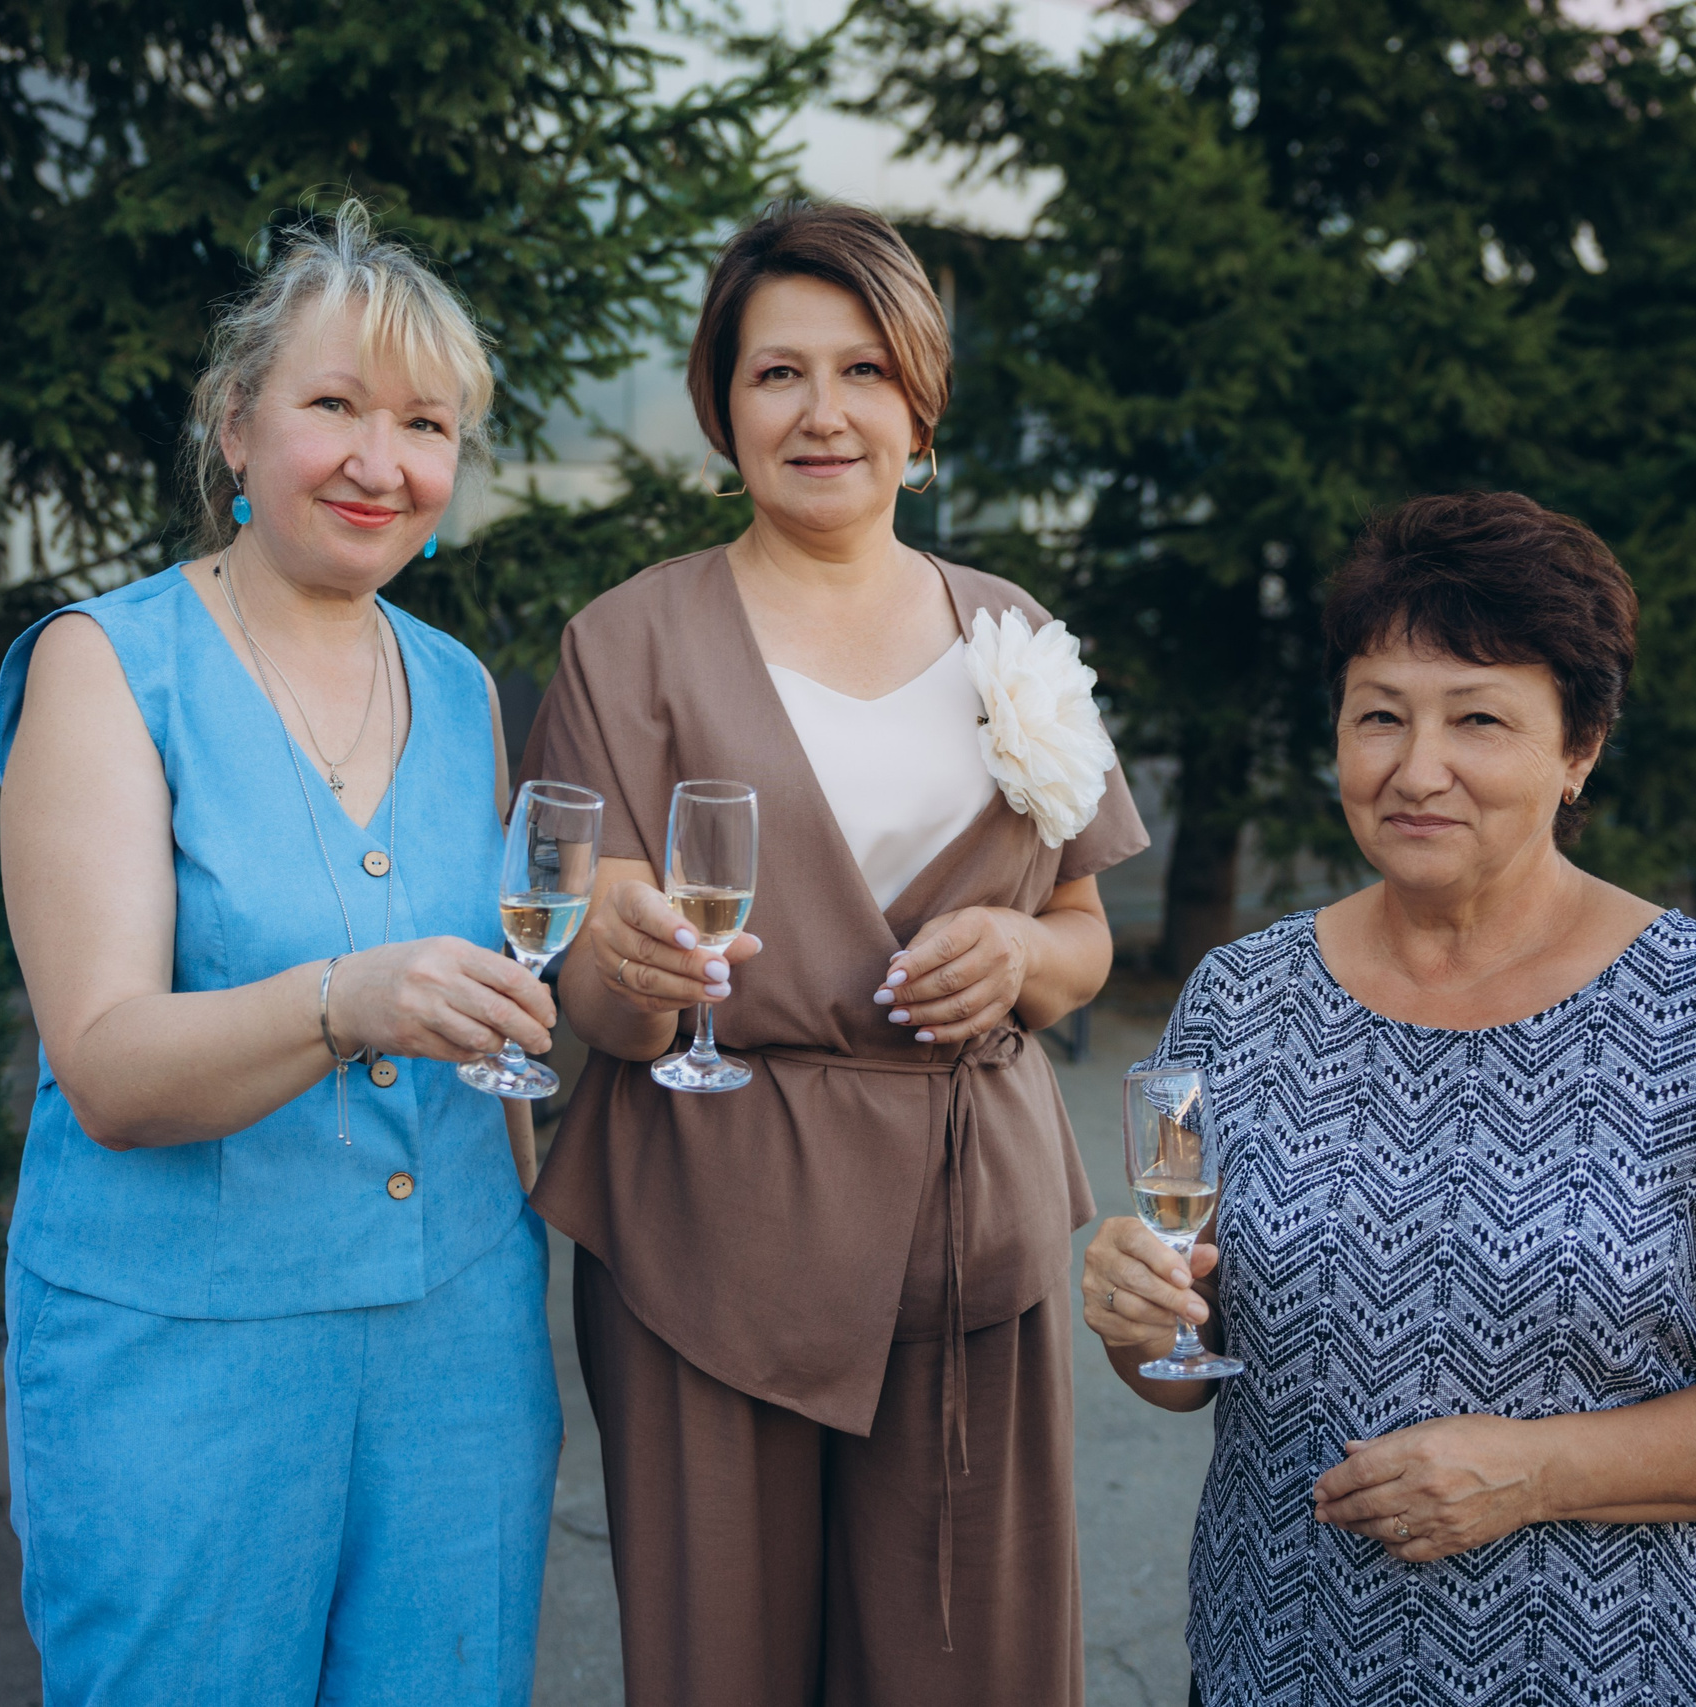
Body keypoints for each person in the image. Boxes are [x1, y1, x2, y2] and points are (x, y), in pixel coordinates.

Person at [1082, 491, 1696, 1707]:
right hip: (1272, 1666)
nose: (1417, 770)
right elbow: (1194, 1368)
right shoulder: (1236, 997)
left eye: (1479, 719)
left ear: (1579, 751)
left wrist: (1539, 1471)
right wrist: (1139, 1324)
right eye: (1379, 718)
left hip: (1604, 1674)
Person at [521, 200, 1150, 1705]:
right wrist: (635, 966)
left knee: (973, 1659)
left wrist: (1019, 947)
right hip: (709, 1216)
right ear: (721, 404)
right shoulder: (627, 642)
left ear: (920, 403)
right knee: (716, 1661)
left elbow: (1086, 937)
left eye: (864, 370)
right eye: (777, 373)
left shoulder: (1015, 636)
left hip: (963, 1213)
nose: (823, 412)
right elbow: (585, 983)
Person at [0, 202, 562, 1703]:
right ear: (234, 428)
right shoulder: (105, 666)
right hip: (183, 1368)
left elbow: (503, 1029)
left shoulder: (458, 690)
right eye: (334, 406)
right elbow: (106, 1066)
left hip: (462, 1354)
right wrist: (342, 999)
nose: (383, 460)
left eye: (426, 423)